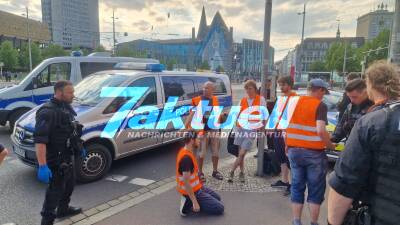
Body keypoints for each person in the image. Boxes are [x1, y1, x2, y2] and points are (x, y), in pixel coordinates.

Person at [327, 61, 400, 225]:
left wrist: (333, 221)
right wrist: (332, 140)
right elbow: (341, 126)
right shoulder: (356, 109)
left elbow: (344, 182)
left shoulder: (373, 120)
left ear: (370, 85)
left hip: (380, 212)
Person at [34, 80, 86, 225]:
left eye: (73, 92)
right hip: (55, 160)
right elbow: (40, 141)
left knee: (69, 186)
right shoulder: (47, 112)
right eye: (70, 92)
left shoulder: (65, 107)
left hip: (68, 156)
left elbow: (70, 130)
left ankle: (63, 209)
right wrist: (43, 166)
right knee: (54, 193)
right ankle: (47, 221)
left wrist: (79, 146)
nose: (73, 95)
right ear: (59, 92)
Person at [286, 79, 336, 225]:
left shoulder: (293, 102)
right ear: (319, 90)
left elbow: (286, 126)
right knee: (315, 189)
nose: (324, 96)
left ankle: (296, 221)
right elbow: (320, 130)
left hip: (294, 150)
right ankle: (313, 222)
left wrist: (287, 144)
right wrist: (331, 145)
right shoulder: (320, 105)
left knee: (297, 186)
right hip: (314, 153)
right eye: (323, 92)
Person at [177, 132, 224, 216]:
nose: (200, 141)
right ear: (192, 140)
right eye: (198, 139)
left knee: (218, 198)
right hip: (192, 192)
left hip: (198, 187)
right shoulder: (186, 159)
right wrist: (195, 202)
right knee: (219, 208)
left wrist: (199, 179)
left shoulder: (188, 151)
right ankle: (188, 203)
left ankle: (197, 201)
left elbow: (192, 174)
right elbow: (186, 182)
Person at [228, 80, 267, 183]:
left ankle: (231, 172)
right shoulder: (243, 100)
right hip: (240, 128)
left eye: (250, 88)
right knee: (241, 154)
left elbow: (264, 116)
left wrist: (262, 130)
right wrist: (235, 130)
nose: (248, 91)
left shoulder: (260, 100)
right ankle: (241, 173)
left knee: (242, 153)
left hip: (252, 130)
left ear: (255, 89)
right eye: (246, 89)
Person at [186, 81, 224, 181]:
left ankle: (215, 171)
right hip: (202, 131)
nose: (204, 89)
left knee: (215, 152)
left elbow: (217, 115)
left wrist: (221, 118)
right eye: (204, 87)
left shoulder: (215, 99)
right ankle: (200, 172)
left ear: (213, 90)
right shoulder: (197, 100)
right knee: (201, 153)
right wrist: (190, 129)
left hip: (214, 129)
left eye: (207, 88)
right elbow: (191, 117)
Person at [271, 76, 297, 196]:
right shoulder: (281, 98)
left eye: (283, 85)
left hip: (288, 132)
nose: (281, 87)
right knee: (281, 157)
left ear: (290, 85)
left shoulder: (295, 98)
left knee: (290, 159)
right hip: (278, 130)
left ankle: (293, 185)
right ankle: (285, 181)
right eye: (280, 85)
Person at [331, 79, 373, 143]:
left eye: (354, 97)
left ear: (365, 92)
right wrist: (333, 138)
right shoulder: (350, 106)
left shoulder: (375, 107)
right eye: (349, 97)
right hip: (351, 145)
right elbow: (341, 126)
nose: (352, 100)